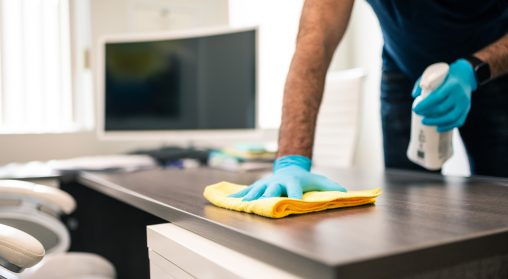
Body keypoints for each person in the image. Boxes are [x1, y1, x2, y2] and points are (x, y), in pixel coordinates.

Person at [231, 0, 508, 201]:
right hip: (403, 66)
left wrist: (473, 70)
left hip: (491, 66)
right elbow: (316, 40)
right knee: (409, 204)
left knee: (498, 195)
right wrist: (291, 160)